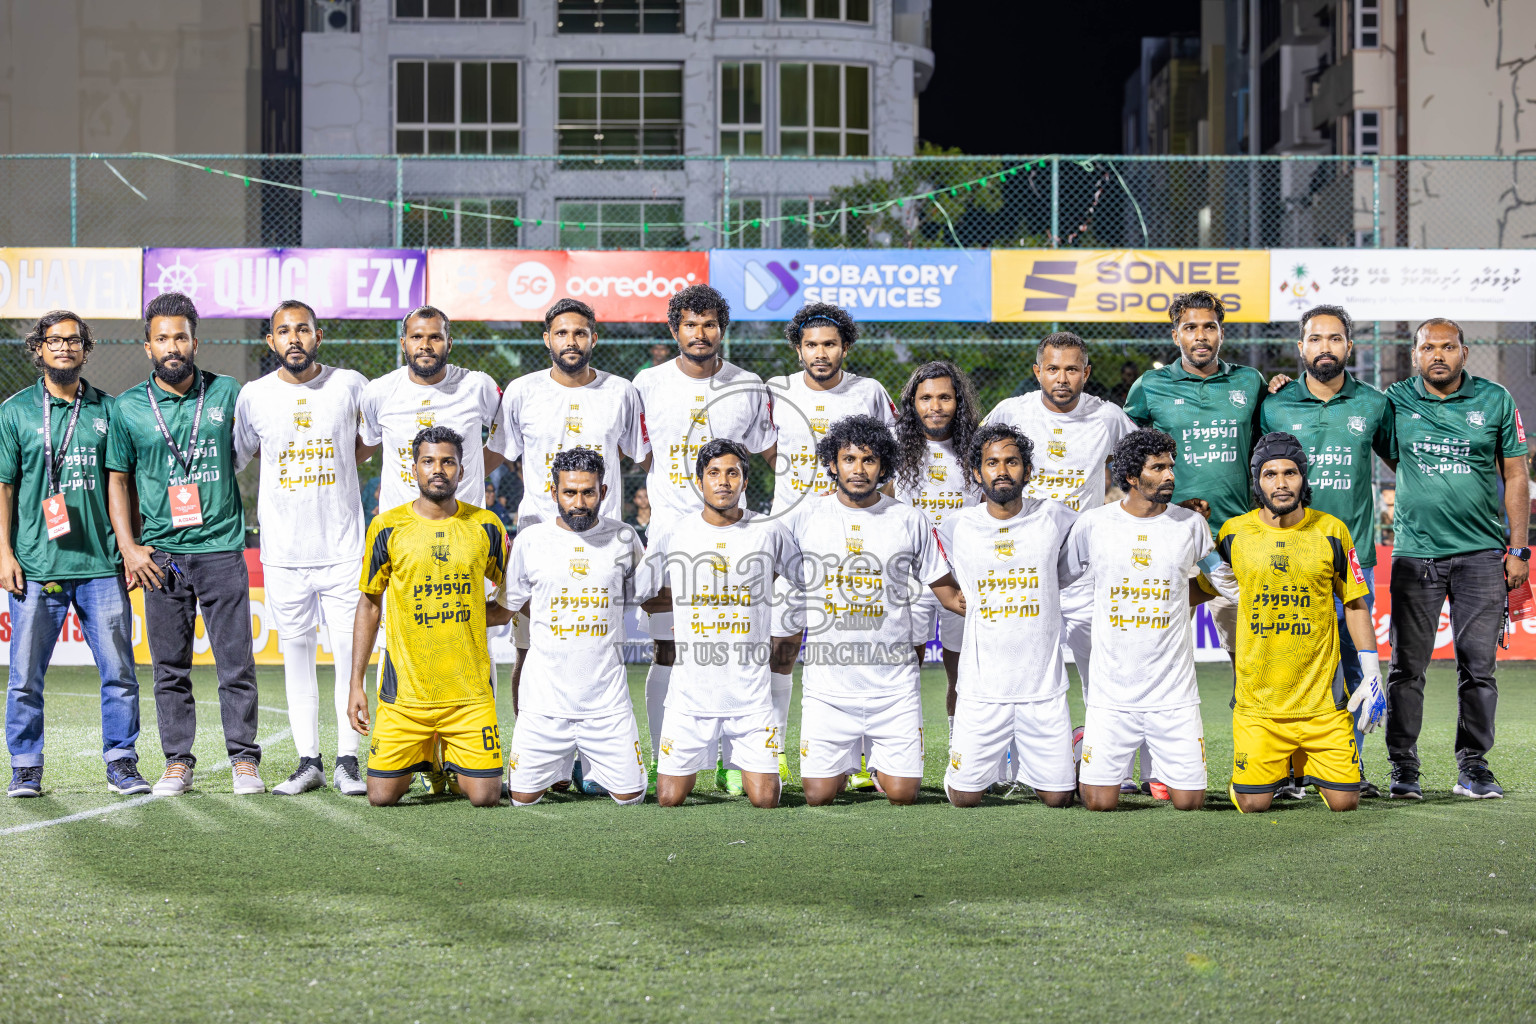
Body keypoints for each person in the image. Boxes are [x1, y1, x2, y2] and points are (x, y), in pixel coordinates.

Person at [105, 291, 264, 796]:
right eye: (162, 338)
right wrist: (130, 548)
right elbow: (117, 482)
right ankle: (178, 760)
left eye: (180, 336)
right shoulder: (128, 406)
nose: (172, 346)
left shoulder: (229, 393)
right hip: (161, 556)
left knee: (235, 663)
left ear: (196, 341)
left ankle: (244, 759)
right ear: (147, 346)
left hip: (220, 548)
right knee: (169, 668)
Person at [631, 284, 776, 792]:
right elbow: (642, 454)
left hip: (737, 539)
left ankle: (735, 763)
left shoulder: (750, 383)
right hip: (672, 539)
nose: (700, 333)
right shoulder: (647, 383)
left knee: (739, 647)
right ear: (674, 330)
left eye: (709, 323)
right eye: (690, 324)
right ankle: (662, 755)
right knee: (669, 650)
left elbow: (765, 452)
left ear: (722, 329)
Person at [0, 310, 147, 798]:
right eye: (54, 340)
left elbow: (119, 485)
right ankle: (25, 766)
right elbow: (3, 489)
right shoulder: (16, 411)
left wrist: (127, 549)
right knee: (24, 676)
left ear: (86, 348)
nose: (64, 347)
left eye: (73, 340)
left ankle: (121, 762)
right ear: (37, 348)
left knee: (120, 673)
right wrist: (4, 553)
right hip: (37, 566)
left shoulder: (108, 410)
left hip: (101, 565)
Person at [1381, 318, 1528, 800]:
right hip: (1414, 557)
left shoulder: (1496, 399)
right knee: (1406, 668)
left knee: (1479, 668)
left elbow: (1515, 476)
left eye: (1448, 346)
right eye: (1428, 347)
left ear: (1465, 352)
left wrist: (1518, 548)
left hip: (1483, 557)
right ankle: (1403, 767)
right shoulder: (1395, 400)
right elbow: (1385, 452)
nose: (1438, 354)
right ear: (1415, 354)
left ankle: (1474, 768)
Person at [359, 304, 505, 792]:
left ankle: (465, 748)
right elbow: (364, 447)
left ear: (448, 341)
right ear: (404, 342)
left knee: (468, 648)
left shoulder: (480, 386)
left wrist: (465, 489)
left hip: (462, 535)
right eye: (417, 337)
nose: (426, 345)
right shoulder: (378, 392)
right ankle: (420, 751)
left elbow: (503, 442)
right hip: (404, 541)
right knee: (405, 646)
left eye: (436, 337)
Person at [234, 299, 372, 796]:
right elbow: (241, 456)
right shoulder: (253, 396)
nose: (294, 338)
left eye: (303, 329)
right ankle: (308, 761)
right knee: (296, 657)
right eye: (283, 331)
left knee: (347, 659)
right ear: (270, 341)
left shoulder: (350, 384)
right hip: (284, 553)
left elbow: (369, 442)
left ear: (319, 336)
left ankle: (348, 762)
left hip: (343, 550)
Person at [1259, 304, 1395, 798]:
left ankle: (1348, 767)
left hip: (1351, 564)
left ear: (1349, 347)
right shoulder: (1271, 403)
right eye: (1315, 339)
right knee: (1292, 668)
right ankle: (1291, 775)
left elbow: (1401, 463)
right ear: (1301, 348)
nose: (1324, 348)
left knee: (1360, 671)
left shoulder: (1375, 405)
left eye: (1335, 339)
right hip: (1288, 563)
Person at [983, 333, 1137, 759]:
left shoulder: (1108, 417)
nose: (1062, 378)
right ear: (1037, 372)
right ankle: (1013, 766)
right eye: (1053, 369)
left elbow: (1141, 463)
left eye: (1072, 369)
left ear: (1086, 373)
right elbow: (980, 465)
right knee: (1021, 670)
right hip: (1024, 569)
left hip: (1086, 570)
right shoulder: (1012, 413)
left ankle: (1109, 765)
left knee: (1101, 672)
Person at [496, 298, 647, 724]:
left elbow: (642, 457)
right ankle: (535, 750)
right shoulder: (523, 391)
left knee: (600, 646)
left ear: (594, 338)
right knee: (529, 651)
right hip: (537, 539)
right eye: (561, 332)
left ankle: (596, 754)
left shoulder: (621, 392)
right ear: (547, 339)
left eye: (580, 332)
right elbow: (501, 455)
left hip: (602, 542)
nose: (571, 341)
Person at [1065, 429, 1234, 812]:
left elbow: (1223, 579)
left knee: (1189, 802)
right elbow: (1059, 576)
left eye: (1170, 466)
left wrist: (1269, 591)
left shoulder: (1191, 524)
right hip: (1112, 694)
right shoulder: (1095, 524)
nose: (1169, 475)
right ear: (1131, 477)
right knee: (1098, 803)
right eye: (1157, 468)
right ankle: (1080, 743)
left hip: (1173, 694)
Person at [766, 302, 897, 790]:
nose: (821, 353)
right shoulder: (775, 390)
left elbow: (888, 457)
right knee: (782, 643)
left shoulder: (869, 392)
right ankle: (772, 751)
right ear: (797, 349)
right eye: (811, 345)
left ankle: (863, 760)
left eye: (830, 344)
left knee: (855, 638)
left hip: (852, 539)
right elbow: (766, 449)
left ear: (846, 346)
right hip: (791, 536)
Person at [1218, 432, 1384, 813]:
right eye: (1270, 474)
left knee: (1345, 803)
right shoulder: (1233, 534)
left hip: (1321, 706)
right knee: (1253, 805)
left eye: (1290, 473)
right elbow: (1200, 590)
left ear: (1304, 478)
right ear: (1257, 482)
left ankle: (1299, 765)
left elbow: (1356, 605)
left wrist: (1373, 672)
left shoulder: (1332, 531)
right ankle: (1277, 769)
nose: (1281, 483)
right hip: (1259, 706)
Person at [346, 426, 512, 808]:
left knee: (485, 797)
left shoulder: (486, 525)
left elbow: (513, 597)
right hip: (406, 696)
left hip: (468, 695)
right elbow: (369, 605)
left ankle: (447, 761)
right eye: (429, 462)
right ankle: (432, 760)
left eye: (448, 462)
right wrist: (356, 683)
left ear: (461, 470)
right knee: (381, 797)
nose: (439, 469)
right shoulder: (386, 527)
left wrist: (471, 614)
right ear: (414, 469)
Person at [787, 415, 948, 807]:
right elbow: (774, 583)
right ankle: (842, 765)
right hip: (828, 688)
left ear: (883, 467)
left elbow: (946, 589)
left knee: (903, 795)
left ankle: (877, 767)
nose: (858, 470)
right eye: (849, 459)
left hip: (893, 689)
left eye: (869, 460)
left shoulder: (909, 519)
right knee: (818, 796)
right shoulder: (803, 518)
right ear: (832, 464)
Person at [640, 438, 801, 809]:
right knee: (669, 798)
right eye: (714, 473)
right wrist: (682, 605)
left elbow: (805, 578)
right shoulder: (675, 531)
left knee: (765, 799)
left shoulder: (769, 530)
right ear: (700, 481)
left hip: (749, 694)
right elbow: (642, 591)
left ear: (745, 482)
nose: (723, 481)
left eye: (733, 473)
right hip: (690, 695)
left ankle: (737, 762)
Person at [929, 424, 1079, 809]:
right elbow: (927, 562)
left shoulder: (1056, 517)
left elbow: (1068, 568)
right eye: (991, 462)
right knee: (963, 798)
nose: (1002, 470)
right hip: (983, 689)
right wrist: (949, 596)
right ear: (977, 473)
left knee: (1059, 797)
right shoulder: (956, 526)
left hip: (1041, 688)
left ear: (1027, 471)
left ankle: (1072, 750)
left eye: (1012, 462)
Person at [500, 448, 647, 807]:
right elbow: (503, 606)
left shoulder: (625, 537)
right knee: (521, 799)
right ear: (554, 493)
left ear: (604, 492)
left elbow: (647, 597)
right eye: (569, 493)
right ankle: (561, 768)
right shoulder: (531, 541)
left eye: (588, 492)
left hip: (606, 702)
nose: (579, 502)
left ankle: (586, 765)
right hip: (545, 702)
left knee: (632, 798)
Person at [891, 361, 980, 744]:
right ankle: (900, 750)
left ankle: (963, 751)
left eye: (945, 397)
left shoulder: (977, 447)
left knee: (961, 670)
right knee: (903, 668)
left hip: (964, 575)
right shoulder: (894, 449)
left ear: (958, 402)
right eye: (925, 398)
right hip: (912, 577)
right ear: (912, 403)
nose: (935, 406)